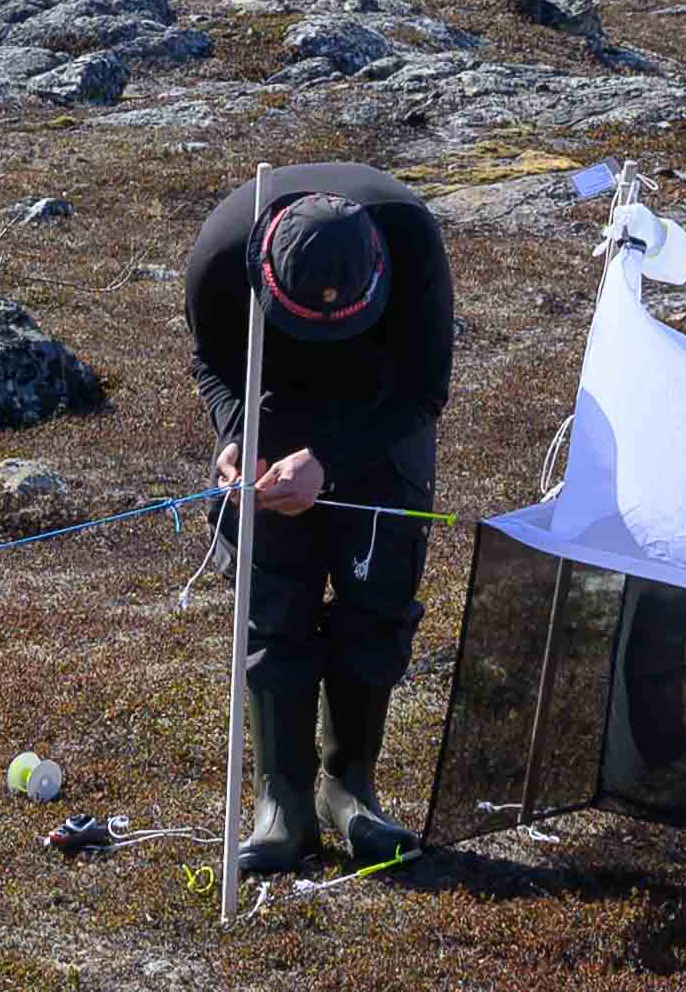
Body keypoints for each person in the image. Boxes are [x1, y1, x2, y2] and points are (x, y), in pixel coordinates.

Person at [182, 162, 455, 881]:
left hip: (383, 418)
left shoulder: (410, 238)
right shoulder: (219, 254)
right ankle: (282, 802)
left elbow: (426, 390)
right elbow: (212, 362)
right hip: (273, 408)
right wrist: (233, 436)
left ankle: (349, 790)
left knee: (377, 606)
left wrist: (328, 464)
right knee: (272, 607)